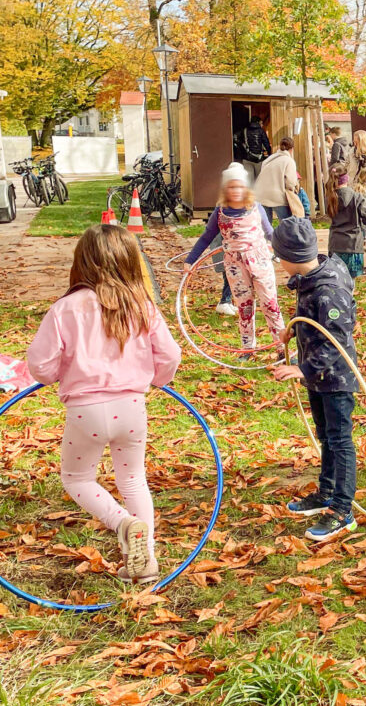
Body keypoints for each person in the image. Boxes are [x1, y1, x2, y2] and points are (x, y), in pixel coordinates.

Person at [27, 224, 181, 584]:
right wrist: (157, 380)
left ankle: (123, 523)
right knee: (133, 479)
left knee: (77, 478)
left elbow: (40, 365)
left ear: (82, 262)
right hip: (131, 408)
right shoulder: (142, 306)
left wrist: (55, 374)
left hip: (87, 412)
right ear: (130, 261)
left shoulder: (65, 309)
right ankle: (147, 561)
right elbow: (170, 355)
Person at [270, 216, 361, 542]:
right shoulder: (313, 274)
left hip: (334, 378)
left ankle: (342, 510)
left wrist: (302, 369)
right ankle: (326, 491)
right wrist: (294, 327)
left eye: (277, 256)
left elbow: (334, 340)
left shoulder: (328, 288)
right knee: (325, 435)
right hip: (319, 377)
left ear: (287, 257)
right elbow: (316, 316)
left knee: (339, 440)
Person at [185, 163, 285, 351]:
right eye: (231, 187)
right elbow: (206, 236)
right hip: (235, 265)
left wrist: (287, 253)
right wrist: (190, 260)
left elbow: (270, 233)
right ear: (225, 189)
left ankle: (282, 348)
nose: (236, 190)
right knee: (244, 307)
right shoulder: (220, 212)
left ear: (246, 187)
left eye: (240, 186)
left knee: (270, 304)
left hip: (259, 260)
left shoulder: (256, 207)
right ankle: (247, 348)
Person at [326, 164, 366, 279]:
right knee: (351, 282)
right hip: (353, 246)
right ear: (347, 178)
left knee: (338, 281)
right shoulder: (356, 197)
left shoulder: (330, 198)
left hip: (335, 245)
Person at [253, 137, 299, 223]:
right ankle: (284, 236)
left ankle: (269, 237)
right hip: (278, 196)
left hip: (261, 195)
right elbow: (291, 182)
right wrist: (293, 191)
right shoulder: (289, 161)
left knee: (266, 226)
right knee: (286, 224)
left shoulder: (268, 160)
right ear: (292, 149)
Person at [239, 115, 271, 183]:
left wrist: (242, 150)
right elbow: (266, 143)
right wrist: (269, 153)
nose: (262, 124)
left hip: (247, 158)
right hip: (258, 159)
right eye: (261, 123)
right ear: (258, 122)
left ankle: (250, 193)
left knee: (249, 181)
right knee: (258, 180)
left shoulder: (244, 130)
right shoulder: (261, 131)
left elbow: (235, 138)